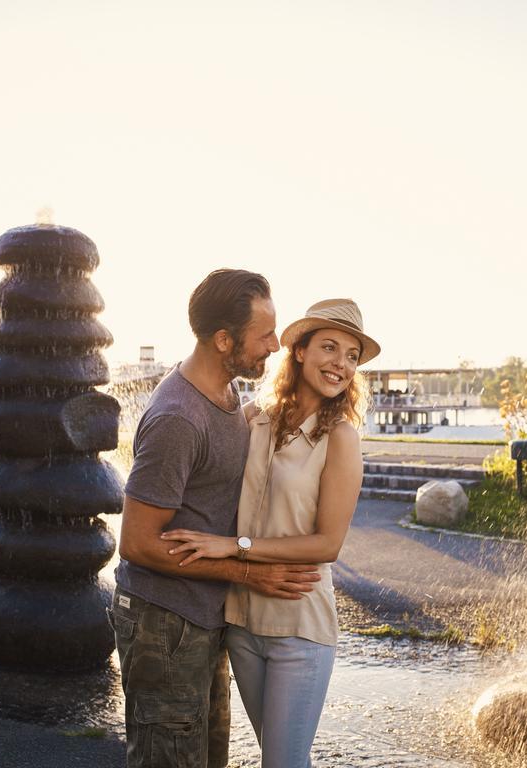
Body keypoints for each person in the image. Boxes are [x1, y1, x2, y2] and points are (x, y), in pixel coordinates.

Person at [110, 269, 322, 768]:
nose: (275, 345)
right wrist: (248, 572)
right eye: (264, 334)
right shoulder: (178, 419)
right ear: (224, 339)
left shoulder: (228, 397)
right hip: (162, 623)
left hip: (201, 617)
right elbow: (137, 543)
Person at [162, 298, 380, 768]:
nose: (340, 364)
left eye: (351, 356)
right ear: (299, 351)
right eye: (329, 347)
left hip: (299, 631)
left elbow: (328, 544)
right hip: (241, 624)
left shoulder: (340, 438)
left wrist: (234, 547)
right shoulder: (252, 418)